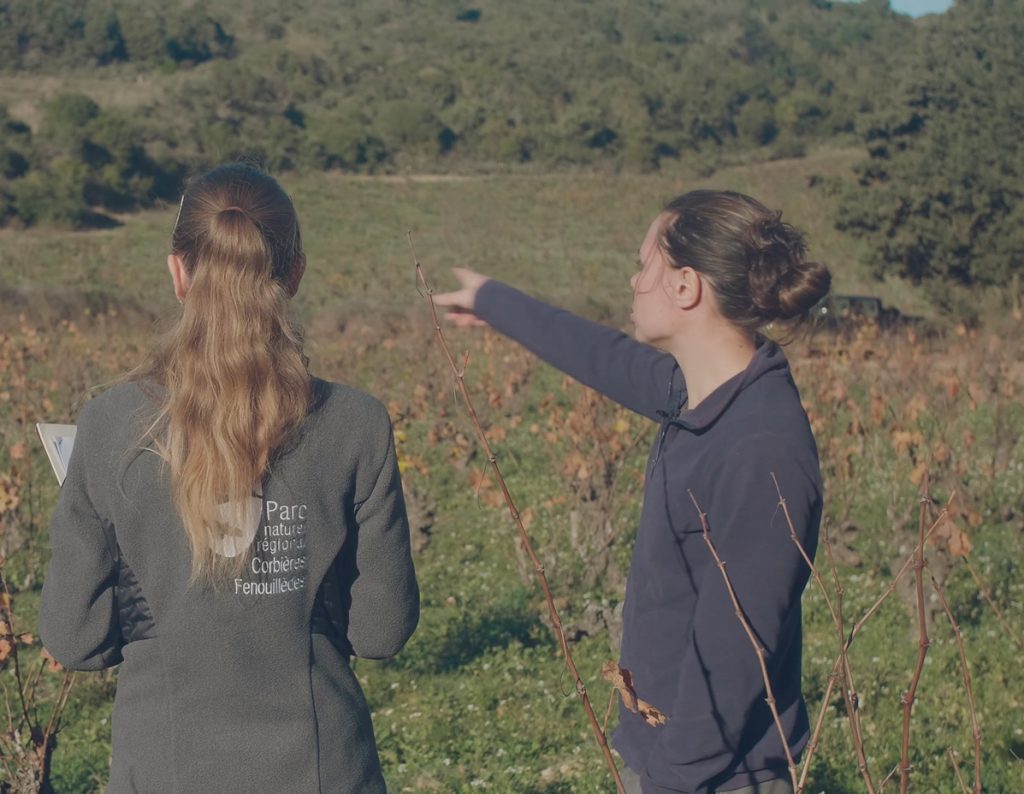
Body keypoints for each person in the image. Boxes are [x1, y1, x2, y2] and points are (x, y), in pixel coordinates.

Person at [38, 163, 419, 793]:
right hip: (325, 771)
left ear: (179, 273)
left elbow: (75, 638)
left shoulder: (110, 427)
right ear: (294, 274)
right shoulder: (356, 424)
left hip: (160, 770)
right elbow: (381, 632)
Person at [433, 190, 829, 794]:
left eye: (646, 264)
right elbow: (604, 357)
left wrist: (671, 777)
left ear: (686, 287)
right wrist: (496, 302)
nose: (634, 279)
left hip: (714, 775)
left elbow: (734, 659)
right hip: (669, 752)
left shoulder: (760, 449)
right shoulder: (697, 393)